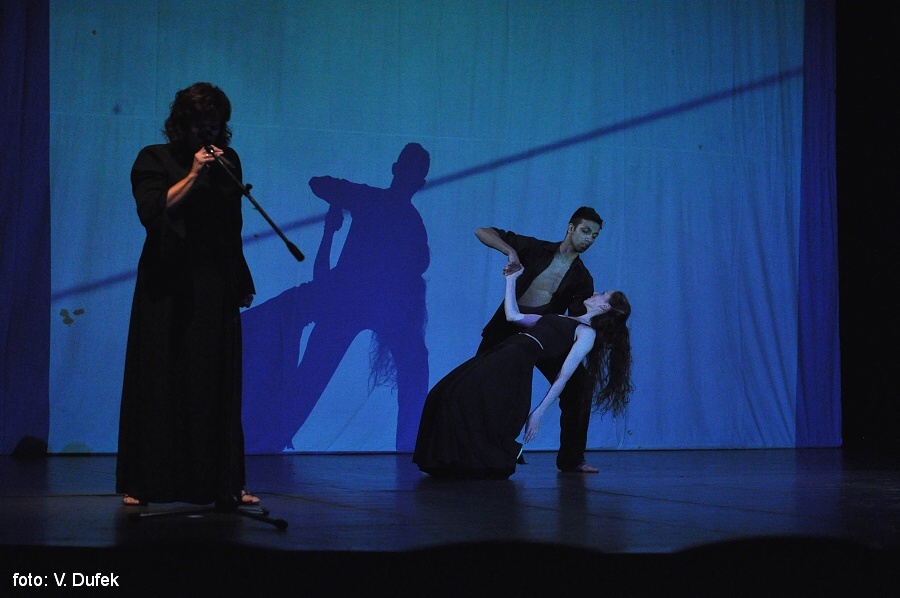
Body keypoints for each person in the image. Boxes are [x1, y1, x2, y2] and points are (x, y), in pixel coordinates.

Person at [116, 82, 258, 507]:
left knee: (216, 380)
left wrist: (240, 277)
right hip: (167, 283)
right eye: (201, 126)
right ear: (182, 125)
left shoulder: (228, 161)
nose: (208, 134)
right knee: (161, 376)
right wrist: (194, 175)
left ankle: (225, 481)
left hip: (214, 281)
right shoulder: (153, 158)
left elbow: (230, 226)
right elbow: (153, 212)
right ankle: (145, 482)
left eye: (215, 126)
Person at [240, 143, 431, 453]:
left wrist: (339, 205)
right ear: (410, 178)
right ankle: (265, 439)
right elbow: (319, 184)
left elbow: (320, 184)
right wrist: (339, 204)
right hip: (356, 303)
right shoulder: (385, 207)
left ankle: (410, 445)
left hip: (359, 304)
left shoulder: (377, 203)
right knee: (317, 376)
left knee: (317, 376)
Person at [413, 267, 633, 479]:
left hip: (515, 361)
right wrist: (511, 280)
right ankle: (448, 460)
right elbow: (513, 316)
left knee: (461, 397)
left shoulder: (587, 333)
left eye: (603, 293)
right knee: (445, 393)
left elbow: (563, 376)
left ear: (604, 306)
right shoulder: (563, 318)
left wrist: (538, 413)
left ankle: (470, 460)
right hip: (503, 351)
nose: (596, 292)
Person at [474, 207, 604, 472]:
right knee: (479, 385)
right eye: (585, 231)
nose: (589, 239)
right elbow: (482, 231)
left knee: (579, 386)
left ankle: (572, 459)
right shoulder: (535, 249)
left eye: (594, 236)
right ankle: (475, 449)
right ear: (571, 228)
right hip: (506, 327)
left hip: (543, 334)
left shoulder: (582, 278)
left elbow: (576, 320)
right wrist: (511, 252)